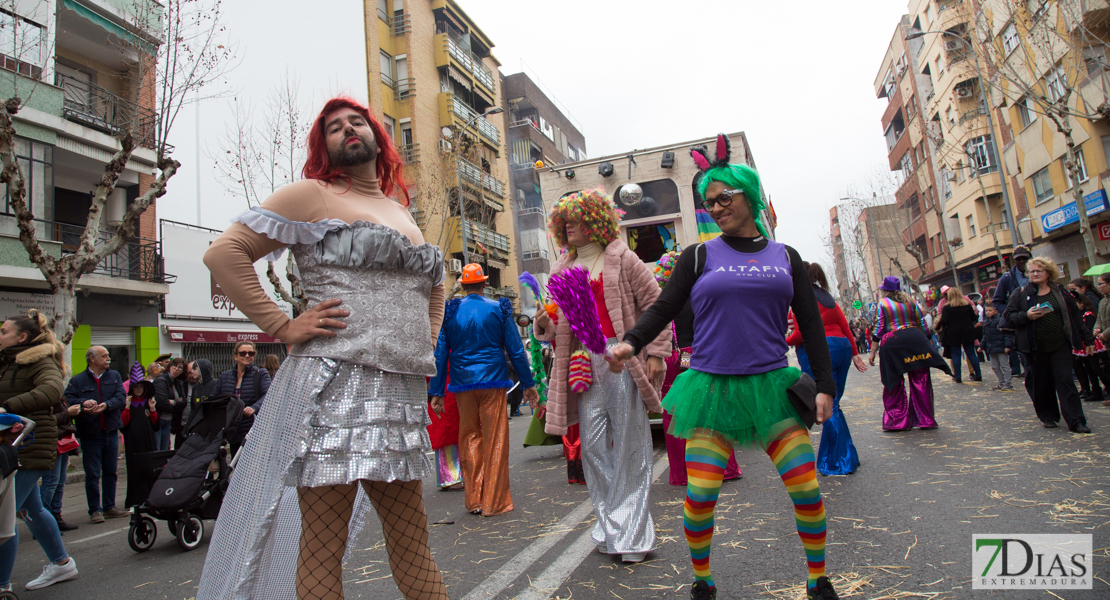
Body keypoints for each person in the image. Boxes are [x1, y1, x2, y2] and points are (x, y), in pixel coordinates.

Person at [198, 96, 448, 600]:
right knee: (323, 542)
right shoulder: (311, 196)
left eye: (357, 122)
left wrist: (425, 344)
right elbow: (224, 253)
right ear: (325, 146)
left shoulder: (402, 213)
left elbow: (434, 287)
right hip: (332, 387)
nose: (347, 129)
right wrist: (281, 325)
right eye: (334, 127)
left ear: (378, 136)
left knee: (411, 536)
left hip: (397, 395)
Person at [610, 141, 839, 600]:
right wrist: (632, 342)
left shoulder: (786, 257)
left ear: (749, 197)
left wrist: (826, 386)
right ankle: (703, 581)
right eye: (709, 202)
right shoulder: (699, 256)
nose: (715, 208)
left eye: (724, 199)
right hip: (711, 388)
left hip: (772, 384)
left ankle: (818, 580)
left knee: (807, 491)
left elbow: (811, 324)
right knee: (699, 499)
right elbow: (666, 307)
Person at [533, 189, 670, 565]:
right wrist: (544, 323)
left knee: (630, 444)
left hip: (621, 357)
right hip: (580, 361)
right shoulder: (562, 266)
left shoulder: (623, 258)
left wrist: (657, 351)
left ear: (595, 220)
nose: (569, 226)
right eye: (564, 222)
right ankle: (613, 524)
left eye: (576, 219)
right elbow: (555, 322)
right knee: (591, 448)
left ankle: (634, 534)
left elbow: (656, 305)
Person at [429, 264, 537, 517]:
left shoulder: (451, 310)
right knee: (495, 437)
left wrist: (436, 391)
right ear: (484, 284)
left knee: (468, 437)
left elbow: (440, 352)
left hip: (462, 383)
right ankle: (495, 501)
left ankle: (474, 500)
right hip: (493, 381)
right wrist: (529, 384)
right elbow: (516, 350)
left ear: (463, 286)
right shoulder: (498, 309)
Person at [0, 310, 79, 591]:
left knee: (3, 518)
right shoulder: (7, 363)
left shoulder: (39, 361)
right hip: (10, 446)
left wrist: (8, 408)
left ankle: (2, 586)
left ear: (21, 337)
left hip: (30, 445)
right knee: (30, 507)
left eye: (3, 331)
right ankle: (61, 564)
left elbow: (52, 389)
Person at [655, 252, 742, 486]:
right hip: (699, 354)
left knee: (674, 415)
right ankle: (723, 468)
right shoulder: (700, 295)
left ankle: (683, 473)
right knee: (710, 410)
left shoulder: (664, 299)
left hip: (675, 359)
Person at [785, 263, 867, 476]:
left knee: (827, 405)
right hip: (842, 348)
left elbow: (801, 334)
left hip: (821, 350)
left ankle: (840, 461)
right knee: (835, 402)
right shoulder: (827, 297)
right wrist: (855, 353)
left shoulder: (801, 298)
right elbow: (844, 325)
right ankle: (847, 454)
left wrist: (782, 340)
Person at [1003, 257, 1093, 433]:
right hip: (1035, 347)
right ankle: (1048, 416)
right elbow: (1008, 316)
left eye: (1039, 271)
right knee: (1042, 382)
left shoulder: (1060, 292)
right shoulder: (1021, 292)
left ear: (1048, 273)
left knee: (1065, 381)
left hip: (1060, 345)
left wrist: (1087, 338)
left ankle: (1076, 421)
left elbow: (1075, 318)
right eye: (1032, 271)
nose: (1034, 274)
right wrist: (1026, 316)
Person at [868, 277, 951, 431]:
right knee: (921, 379)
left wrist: (873, 351)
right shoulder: (911, 301)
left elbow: (879, 328)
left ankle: (897, 421)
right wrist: (928, 343)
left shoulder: (883, 303)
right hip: (916, 339)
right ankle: (926, 419)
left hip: (893, 341)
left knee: (893, 381)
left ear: (885, 290)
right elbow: (922, 323)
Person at [64, 345, 128, 524]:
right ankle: (95, 510)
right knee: (92, 473)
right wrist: (84, 402)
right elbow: (67, 399)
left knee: (111, 471)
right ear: (92, 359)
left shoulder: (114, 376)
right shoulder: (78, 380)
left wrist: (106, 405)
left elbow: (121, 397)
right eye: (104, 356)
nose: (108, 358)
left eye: (108, 355)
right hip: (90, 433)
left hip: (110, 431)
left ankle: (109, 507)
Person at [217, 341, 271, 457]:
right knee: (234, 463)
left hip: (251, 428)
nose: (247, 356)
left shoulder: (260, 373)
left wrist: (254, 407)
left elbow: (269, 395)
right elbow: (215, 397)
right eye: (242, 353)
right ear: (235, 356)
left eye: (250, 353)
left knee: (251, 465)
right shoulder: (225, 376)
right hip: (232, 428)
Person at [40, 393, 80, 532]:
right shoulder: (44, 395)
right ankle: (44, 520)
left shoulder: (59, 394)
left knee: (60, 482)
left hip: (62, 439)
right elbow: (46, 420)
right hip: (52, 441)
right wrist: (67, 412)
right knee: (51, 481)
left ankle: (56, 516)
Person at [993, 245, 1032, 377]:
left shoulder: (1038, 274)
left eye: (1024, 259)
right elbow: (997, 301)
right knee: (1024, 353)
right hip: (1019, 322)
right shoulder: (1007, 278)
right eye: (1018, 259)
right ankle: (1029, 375)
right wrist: (1010, 313)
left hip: (1038, 319)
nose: (1022, 262)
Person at [121, 379, 160, 507]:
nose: (138, 389)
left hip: (148, 441)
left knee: (149, 468)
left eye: (141, 387)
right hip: (133, 443)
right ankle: (134, 499)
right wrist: (126, 407)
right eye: (136, 387)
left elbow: (155, 423)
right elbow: (123, 424)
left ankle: (150, 496)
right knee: (134, 470)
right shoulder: (128, 403)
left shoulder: (148, 403)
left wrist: (153, 409)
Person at [1068, 291, 1110, 402]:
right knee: (1089, 369)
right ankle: (1096, 391)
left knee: (1096, 369)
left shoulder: (1088, 314)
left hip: (1091, 344)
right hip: (1081, 345)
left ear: (1081, 303)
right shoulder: (1076, 316)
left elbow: (1089, 329)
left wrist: (1087, 340)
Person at [936, 287, 982, 383]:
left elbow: (944, 320)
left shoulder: (947, 308)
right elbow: (974, 317)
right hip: (968, 332)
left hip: (953, 334)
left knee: (956, 354)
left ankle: (957, 376)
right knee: (971, 353)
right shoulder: (967, 306)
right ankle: (978, 374)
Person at [174, 360, 217, 450]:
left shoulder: (215, 384)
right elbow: (193, 409)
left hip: (212, 428)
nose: (192, 371)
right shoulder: (196, 387)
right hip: (198, 429)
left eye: (195, 369)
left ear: (203, 370)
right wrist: (189, 426)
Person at [153, 358, 186, 451]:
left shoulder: (177, 383)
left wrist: (174, 402)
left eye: (180, 368)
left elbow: (184, 402)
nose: (176, 369)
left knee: (165, 450)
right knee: (157, 449)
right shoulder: (161, 380)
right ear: (170, 366)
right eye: (174, 366)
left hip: (169, 421)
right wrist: (177, 405)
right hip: (159, 420)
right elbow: (162, 403)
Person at [981, 304, 1014, 390]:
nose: (988, 312)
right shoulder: (986, 321)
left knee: (1004, 365)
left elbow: (1006, 335)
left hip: (1001, 346)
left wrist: (1007, 346)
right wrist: (981, 345)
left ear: (995, 311)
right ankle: (1001, 381)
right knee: (994, 366)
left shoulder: (1000, 321)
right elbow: (985, 335)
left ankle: (1008, 382)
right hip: (991, 347)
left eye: (990, 310)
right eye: (987, 310)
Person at [1092, 272, 1110, 407]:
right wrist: (1097, 329)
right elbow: (1099, 319)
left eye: (1101, 284)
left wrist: (1105, 334)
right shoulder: (1103, 301)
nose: (1099, 287)